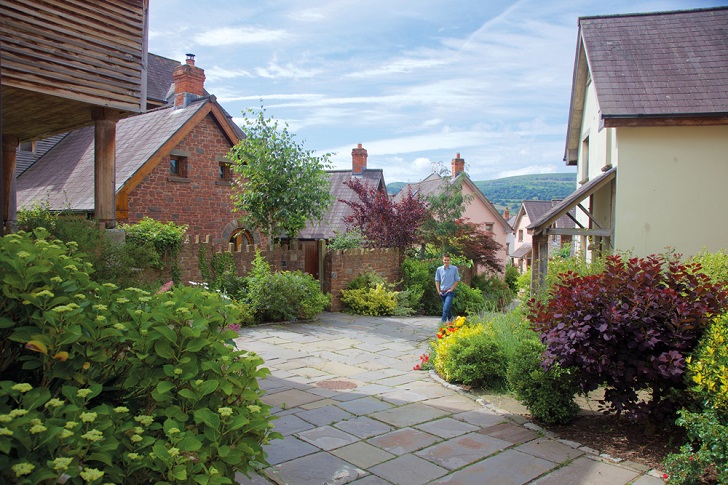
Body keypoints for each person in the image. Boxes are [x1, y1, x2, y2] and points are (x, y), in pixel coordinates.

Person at [435, 253, 460, 324]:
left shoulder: (454, 269)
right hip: (442, 292)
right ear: (442, 260)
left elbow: (457, 280)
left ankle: (442, 324)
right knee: (447, 308)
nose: (446, 262)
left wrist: (451, 289)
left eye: (448, 260)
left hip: (450, 292)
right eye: (445, 260)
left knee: (445, 308)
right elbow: (437, 280)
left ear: (450, 260)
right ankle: (451, 320)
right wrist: (438, 291)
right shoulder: (439, 269)